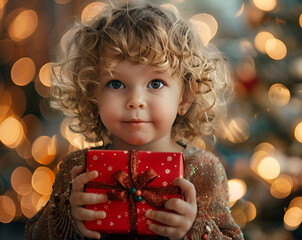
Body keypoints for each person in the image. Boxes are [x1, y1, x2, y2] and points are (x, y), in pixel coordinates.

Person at [25, 0, 243, 239]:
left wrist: (194, 230)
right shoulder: (77, 168)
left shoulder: (203, 170)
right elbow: (34, 235)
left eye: (156, 83)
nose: (135, 100)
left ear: (185, 97)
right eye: (115, 83)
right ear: (92, 93)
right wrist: (68, 217)